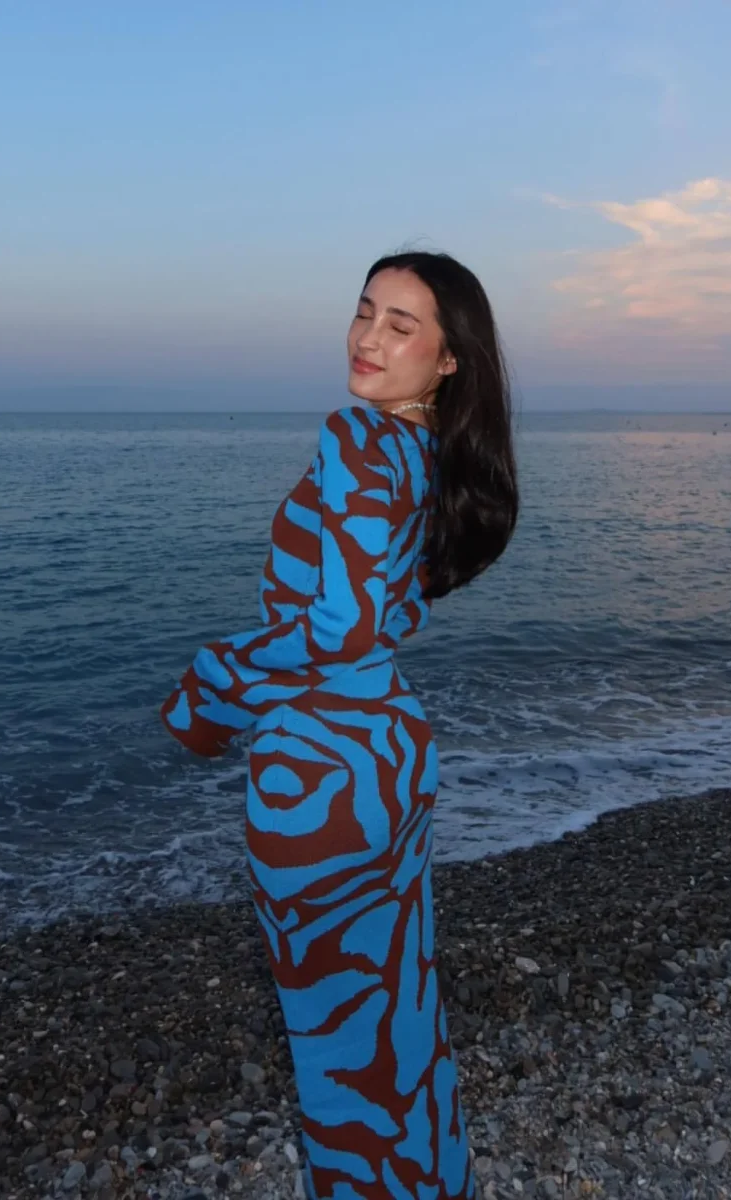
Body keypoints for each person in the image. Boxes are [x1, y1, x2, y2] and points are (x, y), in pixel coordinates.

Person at [161, 250, 519, 1200]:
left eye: (401, 325)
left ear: (450, 357)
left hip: (321, 772)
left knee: (339, 1055)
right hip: (389, 751)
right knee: (399, 1017)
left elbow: (339, 627)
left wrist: (208, 688)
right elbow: (386, 609)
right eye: (364, 312)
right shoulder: (428, 454)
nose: (368, 337)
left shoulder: (360, 439)